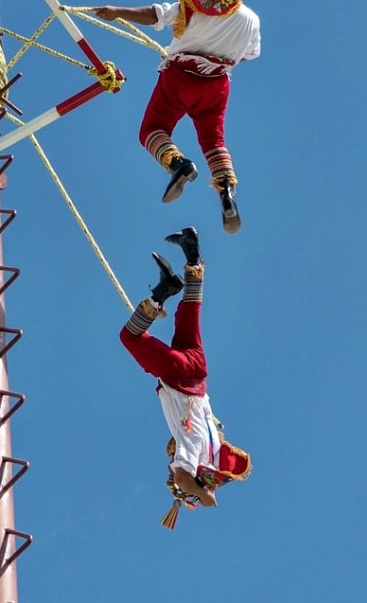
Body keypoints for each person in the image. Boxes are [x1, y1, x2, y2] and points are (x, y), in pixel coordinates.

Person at [94, 0, 262, 233]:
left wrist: (118, 11)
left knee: (152, 130)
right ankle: (226, 191)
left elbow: (155, 15)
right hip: (217, 85)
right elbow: (249, 55)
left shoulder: (193, 5)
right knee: (214, 141)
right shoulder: (251, 20)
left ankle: (177, 164)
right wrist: (219, 55)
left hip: (181, 76)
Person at [118, 226, 251, 528]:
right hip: (178, 376)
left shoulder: (212, 440)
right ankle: (162, 291)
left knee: (189, 315)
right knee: (130, 337)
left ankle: (192, 253)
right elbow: (182, 475)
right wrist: (204, 496)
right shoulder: (195, 450)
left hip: (198, 372)